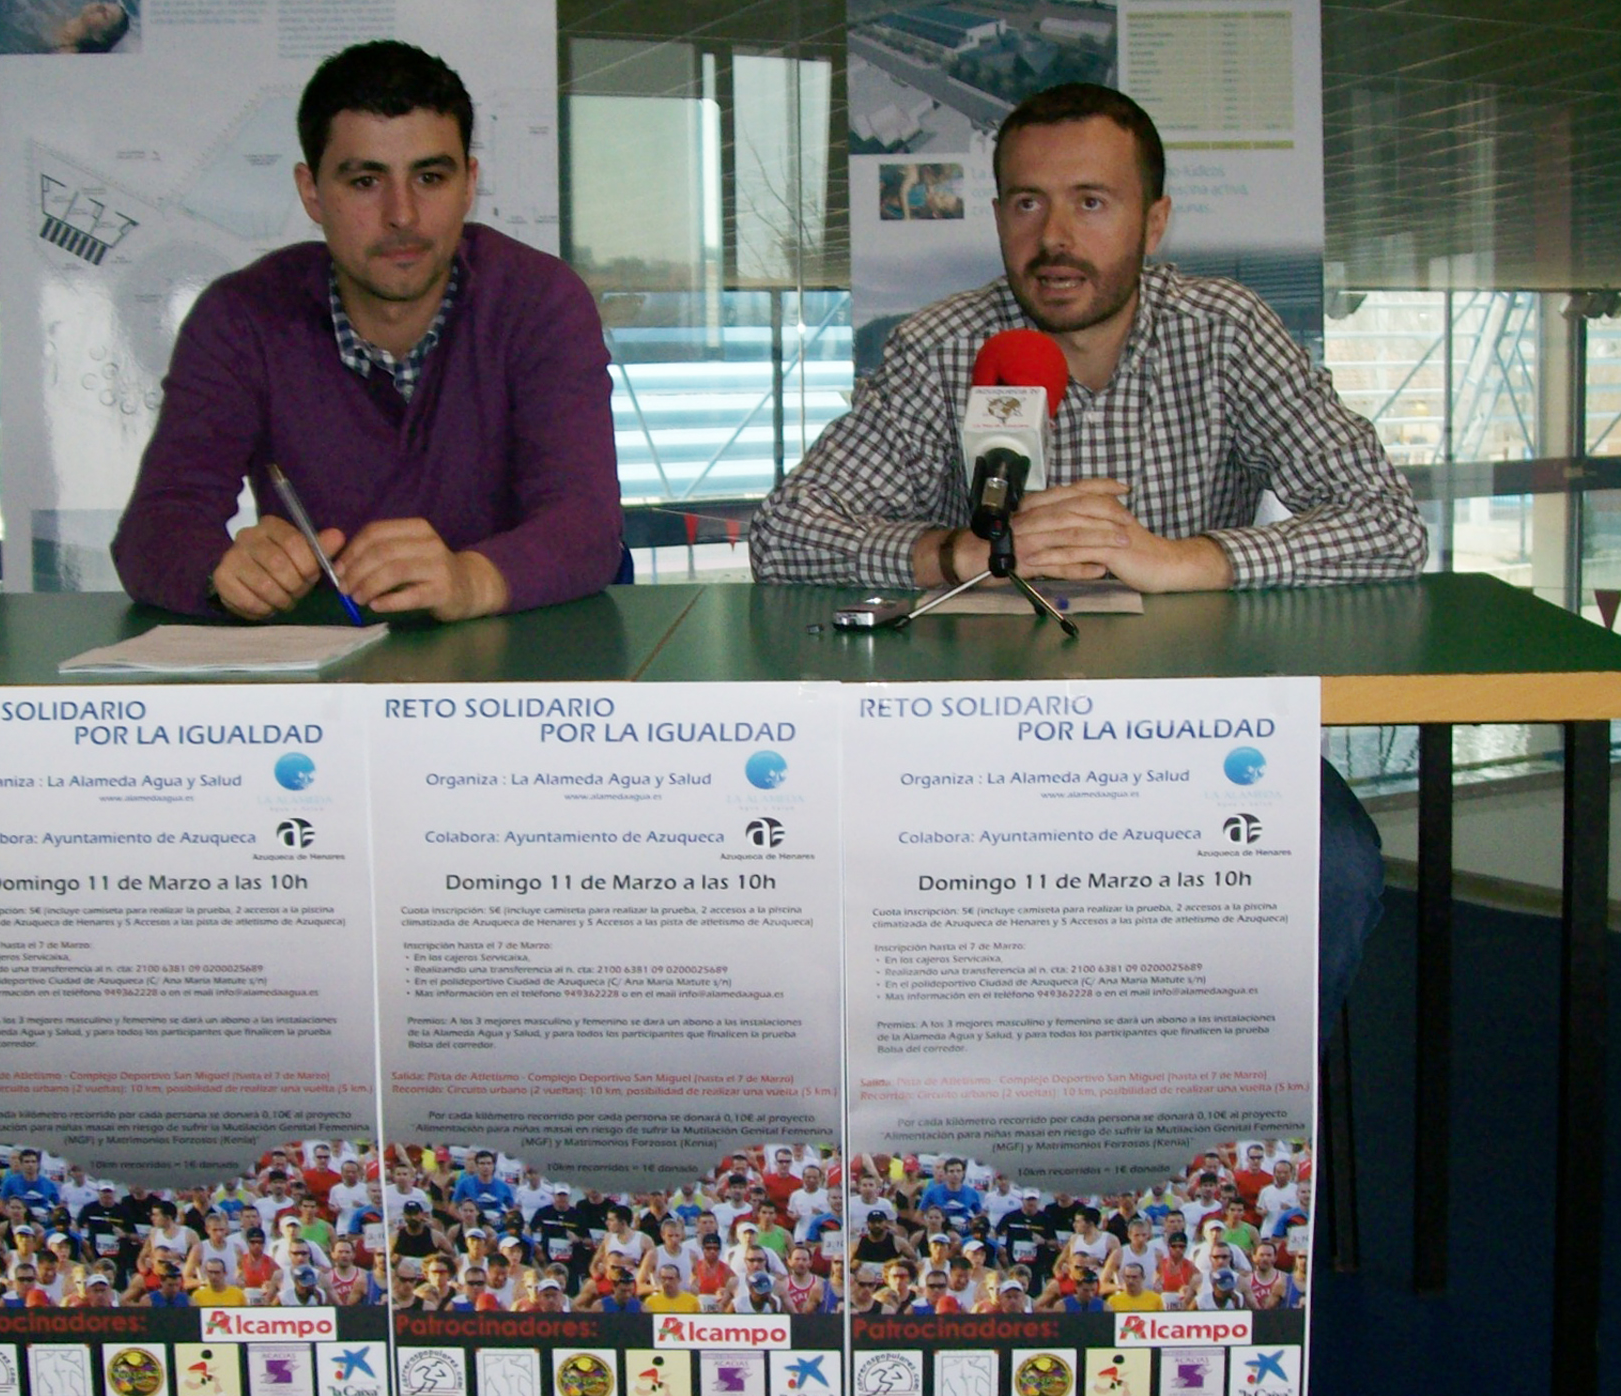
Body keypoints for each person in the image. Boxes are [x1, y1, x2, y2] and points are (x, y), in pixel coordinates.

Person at [749, 83, 1426, 1023]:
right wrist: (955, 555)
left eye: (1092, 202)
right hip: (977, 741)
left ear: (1156, 221)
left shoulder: (1226, 331)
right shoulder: (941, 346)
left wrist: (1187, 561)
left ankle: (1233, 1101)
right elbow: (785, 531)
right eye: (1028, 203)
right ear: (998, 215)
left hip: (1196, 730)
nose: (1055, 236)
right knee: (858, 868)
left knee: (1333, 868)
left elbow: (1388, 521)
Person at [111, 39, 622, 623]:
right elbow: (155, 526)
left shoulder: (539, 302)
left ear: (469, 184)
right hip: (321, 660)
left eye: (430, 177)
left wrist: (470, 580)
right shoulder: (242, 318)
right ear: (311, 192)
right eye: (364, 182)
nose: (402, 214)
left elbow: (587, 527)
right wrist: (219, 572)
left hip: (513, 658)